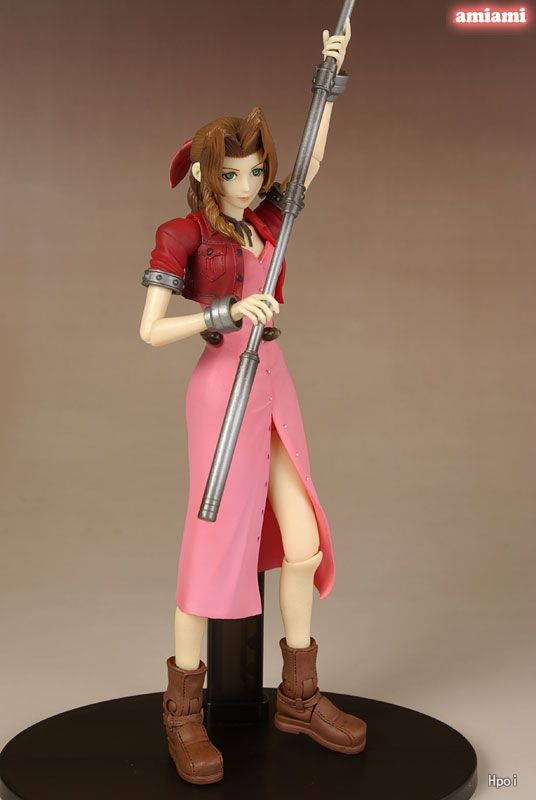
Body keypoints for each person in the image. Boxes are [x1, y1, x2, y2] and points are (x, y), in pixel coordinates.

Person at [139, 19, 366, 785]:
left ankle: (298, 697)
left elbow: (312, 163)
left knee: (302, 542)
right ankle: (183, 712)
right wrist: (225, 311)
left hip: (272, 380)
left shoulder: (270, 218)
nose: (249, 184)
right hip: (221, 390)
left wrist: (328, 80)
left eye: (255, 170)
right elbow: (149, 331)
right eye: (234, 174)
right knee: (208, 549)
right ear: (209, 176)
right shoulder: (181, 234)